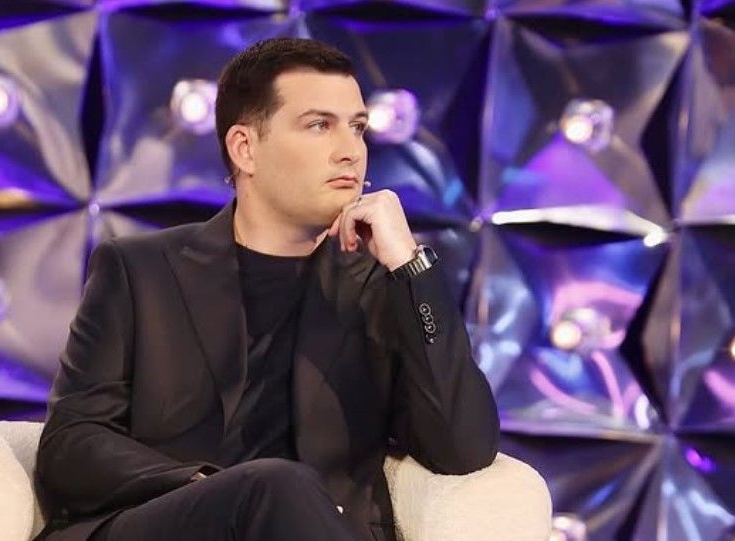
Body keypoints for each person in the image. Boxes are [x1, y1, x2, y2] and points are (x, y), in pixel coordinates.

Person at [34, 37, 499, 541]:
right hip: (169, 523)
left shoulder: (381, 287)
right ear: (245, 148)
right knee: (275, 484)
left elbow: (463, 448)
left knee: (283, 488)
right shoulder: (139, 270)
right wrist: (208, 489)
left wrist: (410, 265)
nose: (350, 151)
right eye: (319, 125)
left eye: (358, 127)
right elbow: (70, 446)